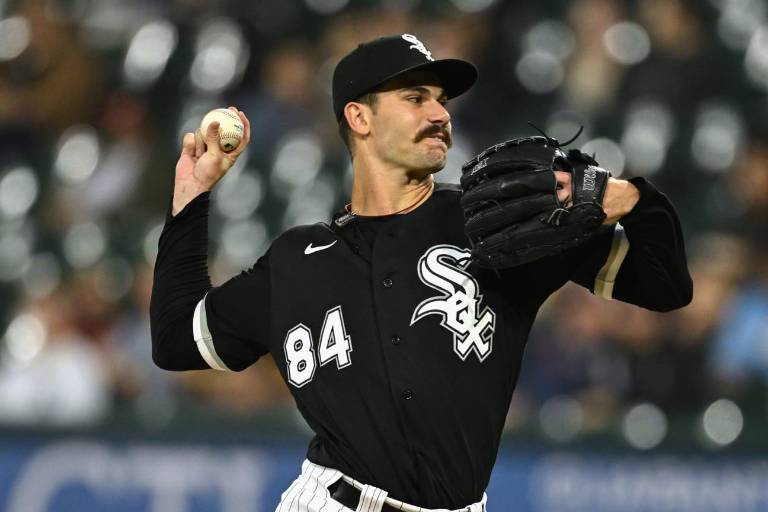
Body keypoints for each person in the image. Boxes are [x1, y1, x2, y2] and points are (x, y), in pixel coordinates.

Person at [150, 34, 693, 512]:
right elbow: (177, 340)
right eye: (415, 98)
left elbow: (664, 287)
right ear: (359, 118)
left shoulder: (494, 224)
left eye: (441, 100)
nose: (440, 114)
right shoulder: (298, 260)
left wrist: (636, 199)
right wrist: (190, 198)